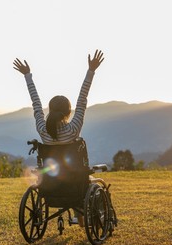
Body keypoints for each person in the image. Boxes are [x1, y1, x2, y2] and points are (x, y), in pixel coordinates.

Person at [13, 50, 104, 226]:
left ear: (50, 110)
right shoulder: (73, 129)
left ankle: (81, 217)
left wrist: (27, 75)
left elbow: (36, 104)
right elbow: (82, 99)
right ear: (68, 113)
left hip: (51, 185)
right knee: (91, 182)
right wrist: (91, 71)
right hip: (75, 184)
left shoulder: (42, 130)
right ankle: (83, 219)